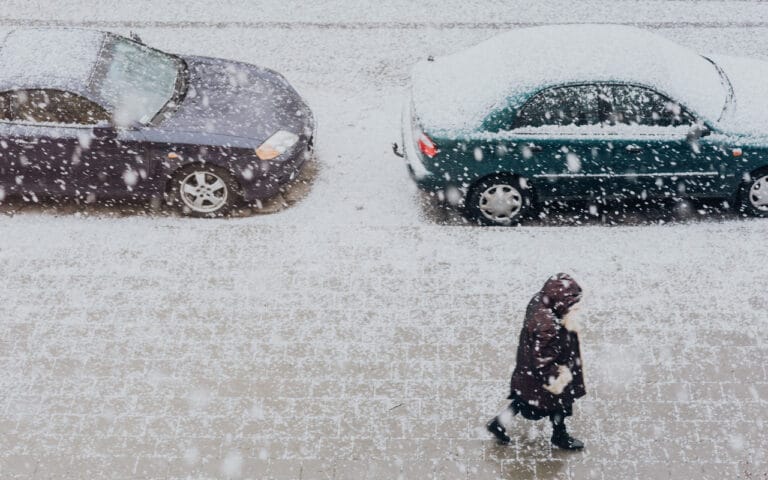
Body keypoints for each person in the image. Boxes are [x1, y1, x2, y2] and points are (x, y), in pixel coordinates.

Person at [486, 273, 586, 450]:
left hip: (527, 370)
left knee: (523, 399)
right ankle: (559, 435)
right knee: (559, 403)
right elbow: (543, 361)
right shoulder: (548, 326)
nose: (575, 307)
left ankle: (499, 423)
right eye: (572, 303)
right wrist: (558, 379)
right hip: (543, 374)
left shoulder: (540, 300)